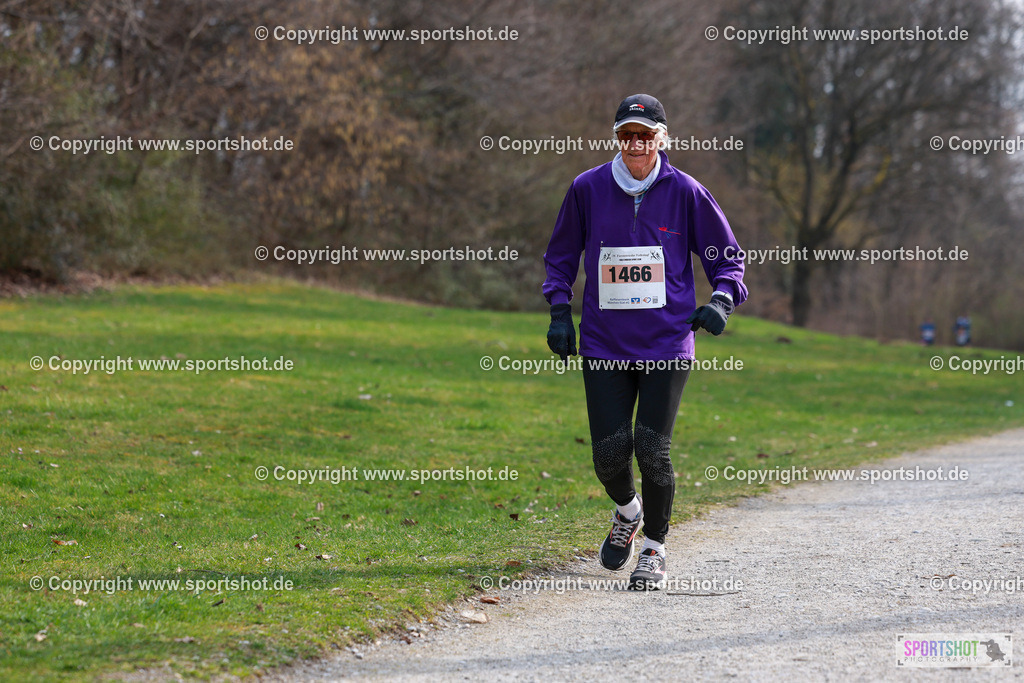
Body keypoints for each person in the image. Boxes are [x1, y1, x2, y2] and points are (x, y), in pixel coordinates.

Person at [542, 94, 747, 590]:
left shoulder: (687, 192)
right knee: (609, 455)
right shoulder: (587, 188)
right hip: (604, 344)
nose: (635, 143)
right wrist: (558, 310)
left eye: (645, 134)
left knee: (653, 448)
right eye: (626, 135)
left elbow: (729, 261)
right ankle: (628, 512)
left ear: (661, 138)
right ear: (617, 139)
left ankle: (653, 549)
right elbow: (561, 255)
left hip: (665, 344)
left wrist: (720, 302)